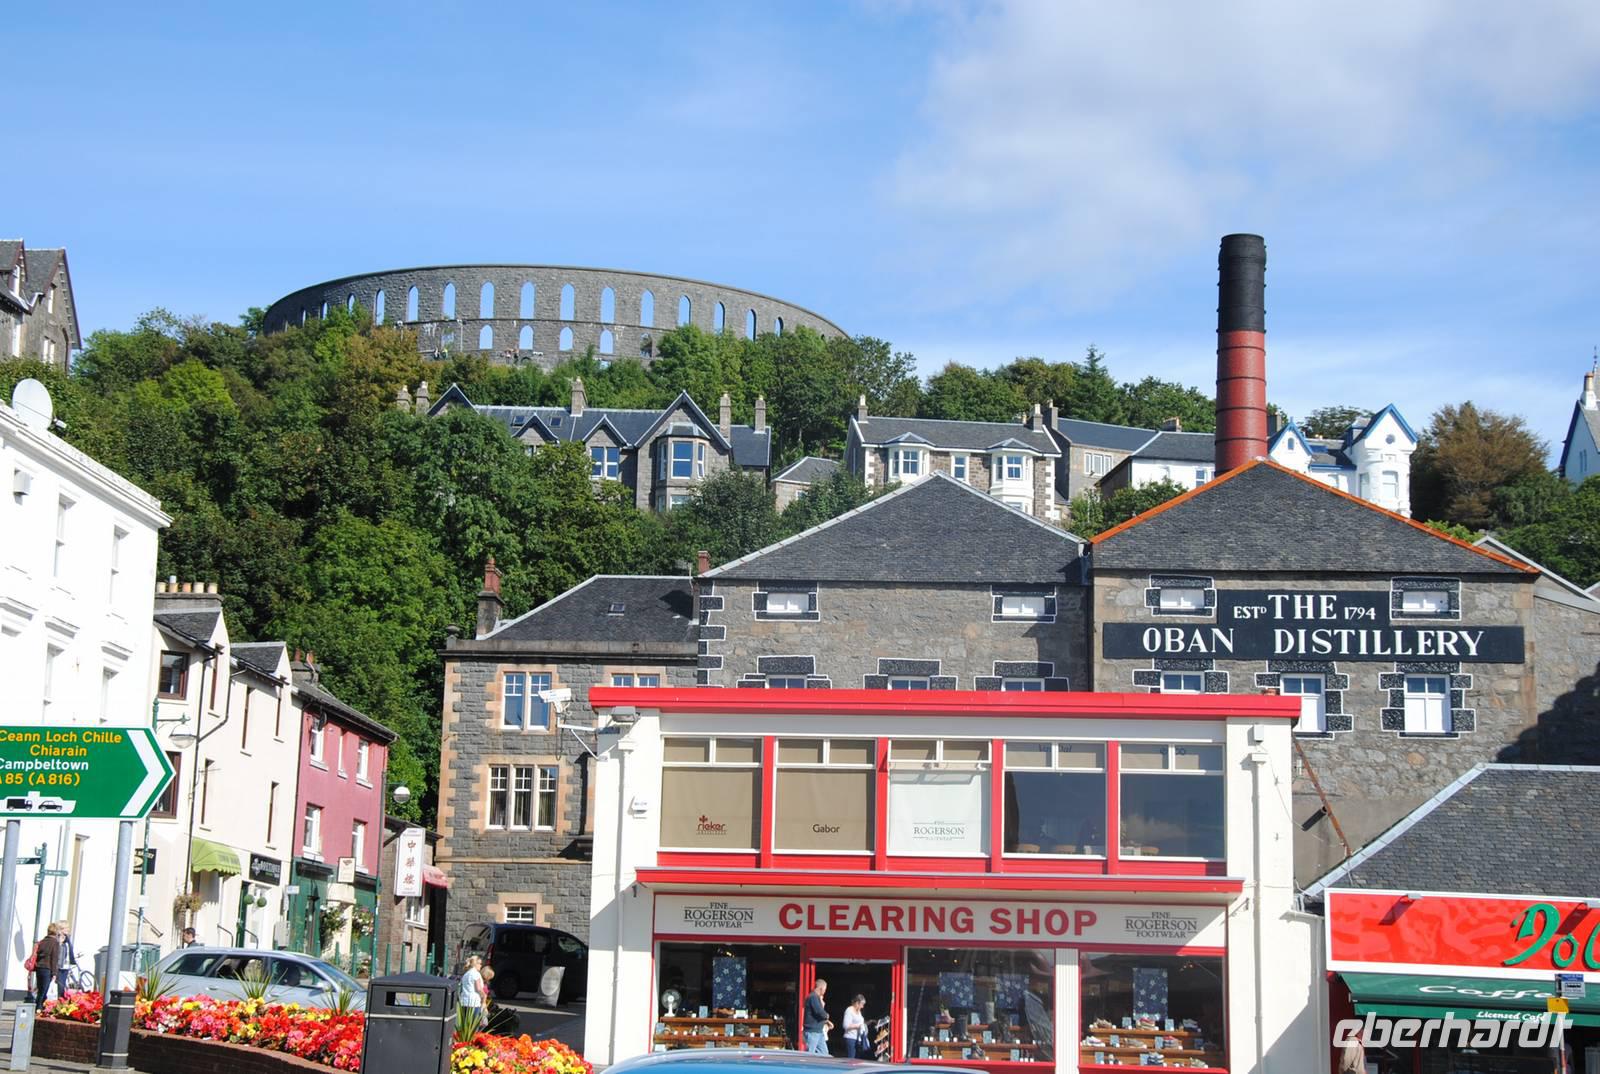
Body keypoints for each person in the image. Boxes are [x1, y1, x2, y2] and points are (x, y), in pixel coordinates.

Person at [31, 923, 61, 1004]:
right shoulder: (55, 943)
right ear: (56, 932)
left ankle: (38, 1007)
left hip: (39, 968)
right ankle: (38, 1008)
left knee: (40, 989)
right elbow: (54, 958)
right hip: (47, 968)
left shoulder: (42, 941)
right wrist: (54, 973)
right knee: (44, 991)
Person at [803, 978, 832, 1055]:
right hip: (812, 1031)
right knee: (810, 1054)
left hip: (818, 1031)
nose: (825, 991)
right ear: (821, 988)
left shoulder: (815, 997)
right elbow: (819, 1012)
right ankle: (806, 1066)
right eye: (825, 989)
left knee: (824, 1053)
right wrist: (826, 1015)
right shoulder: (813, 997)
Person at [842, 994, 869, 1058]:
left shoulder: (859, 1011)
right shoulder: (849, 1010)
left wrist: (869, 1022)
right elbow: (845, 1025)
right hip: (850, 1038)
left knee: (857, 1059)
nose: (862, 1007)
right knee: (851, 1058)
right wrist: (858, 1026)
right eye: (862, 1004)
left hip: (858, 1039)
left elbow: (860, 1022)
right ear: (857, 1003)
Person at [55, 922, 77, 996]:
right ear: (61, 929)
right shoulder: (57, 938)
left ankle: (60, 1001)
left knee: (63, 985)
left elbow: (69, 951)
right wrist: (60, 943)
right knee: (60, 985)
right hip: (59, 966)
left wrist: (72, 960)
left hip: (66, 966)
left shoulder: (67, 939)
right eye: (66, 928)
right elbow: (56, 950)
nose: (68, 930)